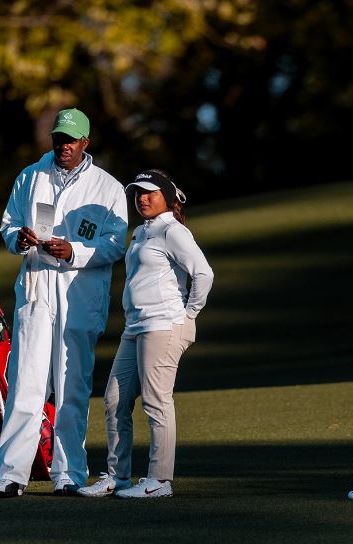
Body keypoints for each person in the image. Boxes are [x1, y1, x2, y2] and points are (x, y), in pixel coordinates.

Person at [0, 108, 129, 498]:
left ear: (86, 142)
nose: (63, 147)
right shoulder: (30, 176)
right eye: (58, 139)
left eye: (71, 140)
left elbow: (117, 242)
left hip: (79, 294)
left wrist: (75, 250)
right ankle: (10, 475)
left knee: (72, 386)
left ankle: (69, 474)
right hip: (35, 289)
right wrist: (19, 239)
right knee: (24, 384)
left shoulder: (108, 187)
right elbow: (9, 224)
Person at [78, 169, 213, 499]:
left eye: (149, 192)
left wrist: (187, 314)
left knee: (156, 402)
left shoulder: (173, 232)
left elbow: (204, 274)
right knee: (114, 400)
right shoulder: (140, 232)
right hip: (136, 326)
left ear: (167, 198)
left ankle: (159, 481)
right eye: (138, 192)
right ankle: (117, 476)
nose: (141, 197)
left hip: (163, 325)